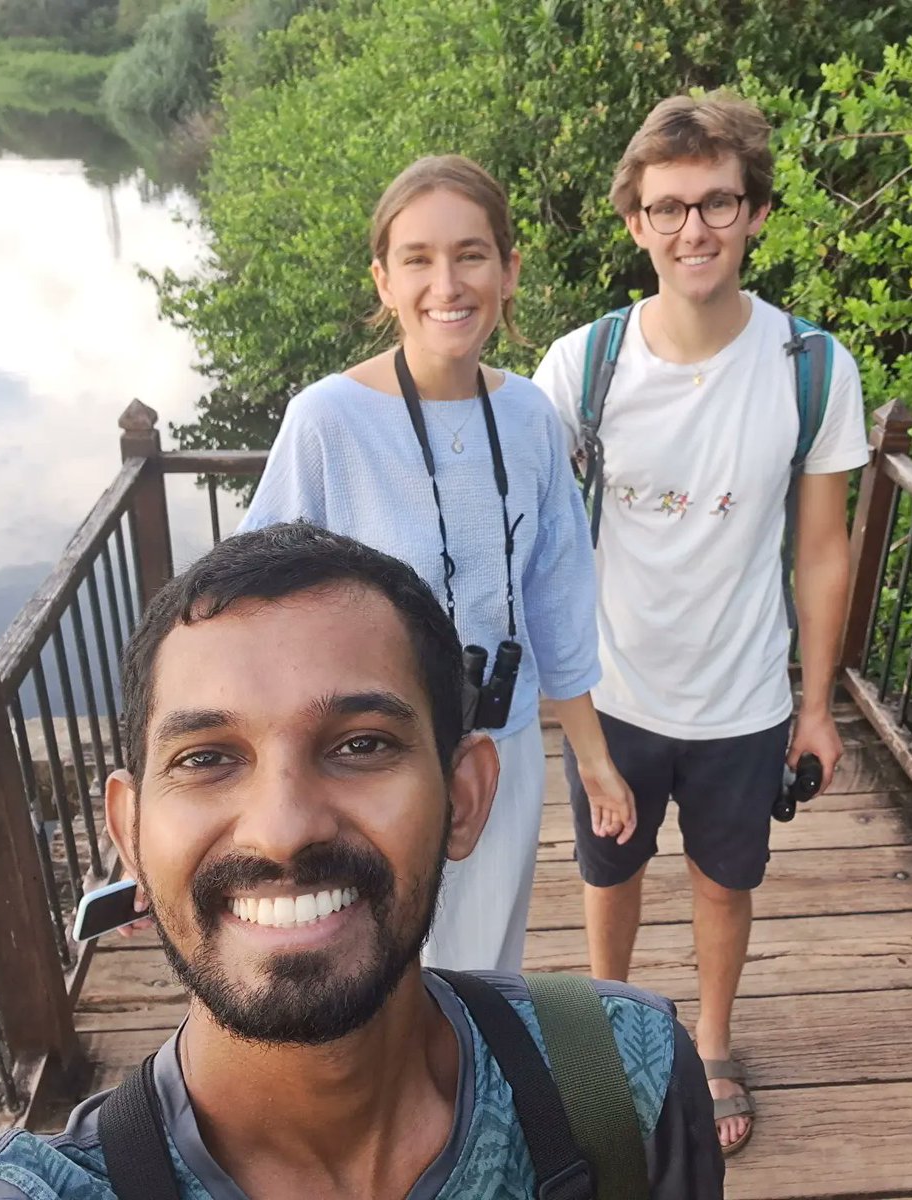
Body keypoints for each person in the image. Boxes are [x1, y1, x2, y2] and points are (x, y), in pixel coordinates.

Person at [0, 524, 723, 1199]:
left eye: (362, 745)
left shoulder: (624, 1078)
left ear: (465, 796)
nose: (283, 831)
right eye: (208, 757)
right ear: (131, 829)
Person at [534, 92, 870, 1156]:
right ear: (635, 221)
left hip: (744, 698)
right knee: (608, 879)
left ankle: (713, 1043)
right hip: (617, 692)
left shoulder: (811, 368)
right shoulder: (583, 367)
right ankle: (605, 1039)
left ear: (757, 212)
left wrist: (818, 707)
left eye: (718, 203)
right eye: (669, 208)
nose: (695, 231)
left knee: (728, 885)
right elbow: (539, 546)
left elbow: (822, 551)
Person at [236, 155, 634, 975]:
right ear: (384, 280)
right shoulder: (327, 422)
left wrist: (593, 761)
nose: (446, 283)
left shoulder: (528, 417)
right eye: (417, 259)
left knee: (486, 961)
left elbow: (556, 597)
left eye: (471, 254)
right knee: (373, 961)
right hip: (367, 757)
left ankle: (471, 1099)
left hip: (503, 743)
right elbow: (248, 598)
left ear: (508, 269)